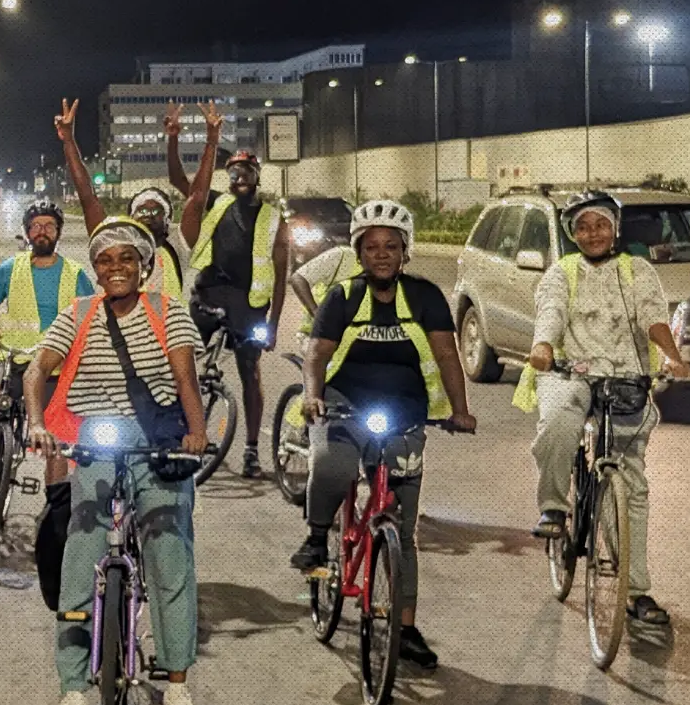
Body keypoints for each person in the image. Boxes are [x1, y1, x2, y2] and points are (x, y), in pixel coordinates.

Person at [24, 216, 208, 705]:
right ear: (96, 270)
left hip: (160, 444)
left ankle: (177, 689)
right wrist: (38, 424)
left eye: (128, 258)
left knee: (171, 558)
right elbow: (38, 370)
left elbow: (182, 375)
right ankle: (73, 693)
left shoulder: (168, 312)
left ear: (146, 265)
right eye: (106, 260)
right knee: (80, 557)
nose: (117, 268)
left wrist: (195, 434)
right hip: (96, 443)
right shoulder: (77, 314)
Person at [293, 200, 477, 670]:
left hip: (405, 414)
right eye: (371, 247)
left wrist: (460, 410)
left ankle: (406, 627)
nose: (381, 254)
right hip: (343, 406)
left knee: (403, 525)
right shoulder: (343, 297)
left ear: (404, 251)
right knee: (331, 465)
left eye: (391, 246)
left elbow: (448, 356)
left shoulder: (425, 297)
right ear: (358, 252)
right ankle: (318, 537)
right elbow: (316, 354)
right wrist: (313, 396)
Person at [517, 190, 690, 626]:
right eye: (582, 226)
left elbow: (654, 318)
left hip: (625, 378)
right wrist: (541, 346)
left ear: (614, 227)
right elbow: (551, 314)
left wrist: (671, 356)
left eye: (600, 224)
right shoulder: (562, 273)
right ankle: (555, 508)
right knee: (558, 421)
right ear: (572, 234)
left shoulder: (638, 271)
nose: (592, 233)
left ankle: (636, 593)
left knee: (632, 485)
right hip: (569, 374)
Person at [170, 116, 289, 478]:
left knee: (250, 374)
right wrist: (173, 141)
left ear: (257, 177)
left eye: (247, 172)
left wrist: (273, 324)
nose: (240, 178)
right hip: (206, 296)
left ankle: (251, 448)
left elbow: (281, 276)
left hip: (249, 308)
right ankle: (178, 433)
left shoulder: (273, 218)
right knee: (182, 366)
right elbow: (180, 183)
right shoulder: (216, 204)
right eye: (234, 172)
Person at [0, 199, 95, 499]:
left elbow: (90, 317)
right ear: (27, 232)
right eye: (36, 226)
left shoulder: (75, 273)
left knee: (56, 441)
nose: (42, 232)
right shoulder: (11, 268)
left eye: (49, 226)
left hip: (55, 368)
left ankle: (55, 505)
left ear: (58, 232)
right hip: (13, 358)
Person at [55, 97, 208, 299]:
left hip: (166, 330)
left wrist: (210, 140)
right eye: (142, 210)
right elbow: (88, 198)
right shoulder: (112, 241)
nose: (149, 216)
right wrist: (68, 140)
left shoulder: (177, 248)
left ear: (167, 220)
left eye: (156, 211)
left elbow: (196, 199)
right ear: (132, 218)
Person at [290, 244, 362, 346]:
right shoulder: (342, 256)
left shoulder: (386, 271)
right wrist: (317, 314)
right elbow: (298, 278)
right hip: (316, 335)